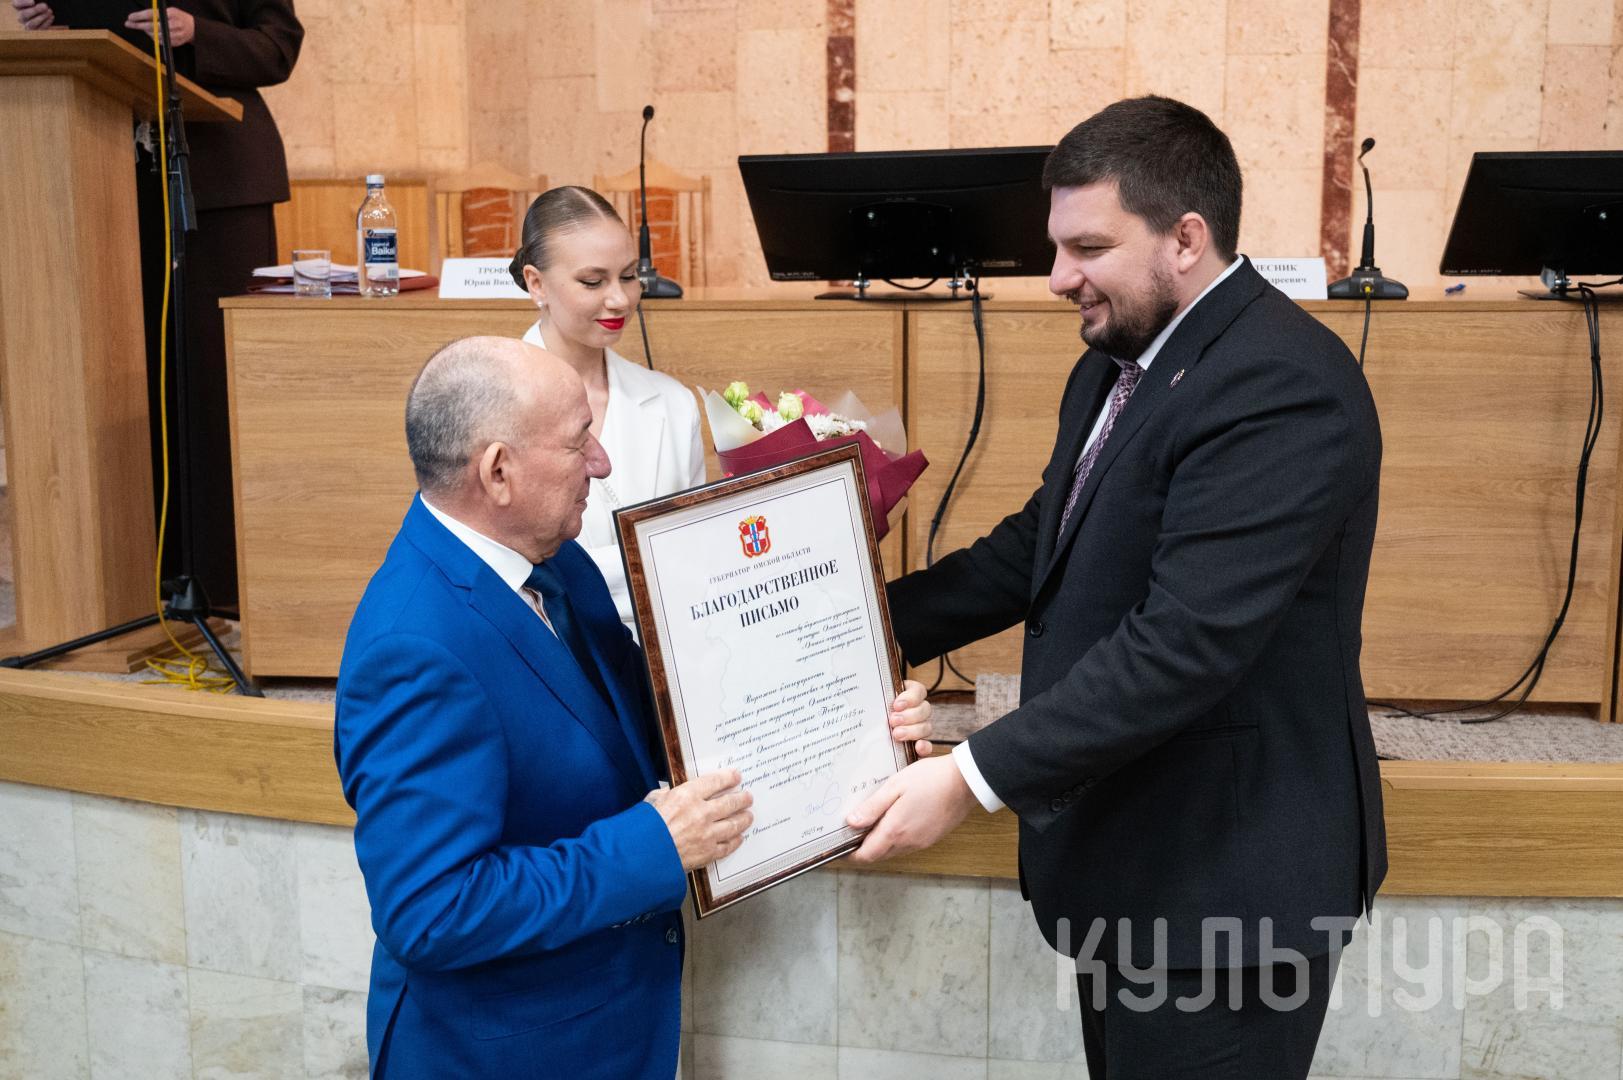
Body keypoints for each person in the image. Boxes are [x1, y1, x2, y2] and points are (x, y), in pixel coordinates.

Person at [847, 97, 1386, 1079]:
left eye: (1088, 248)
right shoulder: (1118, 364)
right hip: (1135, 868)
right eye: (1056, 248)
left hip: (1228, 889)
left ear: (1185, 238)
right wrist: (849, 630)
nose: (1059, 278)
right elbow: (1036, 551)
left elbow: (1183, 643)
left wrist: (968, 777)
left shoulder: (1280, 384)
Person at [336, 336, 932, 1078]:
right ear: (498, 472)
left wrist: (853, 714)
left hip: (609, 1028)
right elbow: (430, 911)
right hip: (501, 1054)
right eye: (579, 441)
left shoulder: (556, 561)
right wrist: (655, 845)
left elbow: (653, 719)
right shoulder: (413, 647)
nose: (602, 463)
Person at [11, 0, 303, 610]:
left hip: (219, 184)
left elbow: (278, 47)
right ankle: (138, 577)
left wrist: (198, 33)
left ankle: (224, 580)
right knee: (125, 382)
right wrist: (50, 21)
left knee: (212, 380)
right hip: (100, 172)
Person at [509, 186, 706, 634]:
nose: (620, 299)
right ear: (537, 283)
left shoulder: (674, 403)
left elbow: (694, 554)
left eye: (629, 276)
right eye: (593, 282)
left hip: (669, 646)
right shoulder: (491, 406)